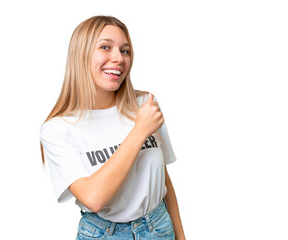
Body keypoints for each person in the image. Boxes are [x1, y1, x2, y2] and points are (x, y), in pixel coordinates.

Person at [40, 15, 186, 240]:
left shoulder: (145, 104)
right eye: (105, 47)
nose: (118, 58)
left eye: (125, 50)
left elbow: (163, 182)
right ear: (81, 54)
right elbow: (94, 197)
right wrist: (139, 132)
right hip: (105, 234)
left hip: (159, 227)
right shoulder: (57, 130)